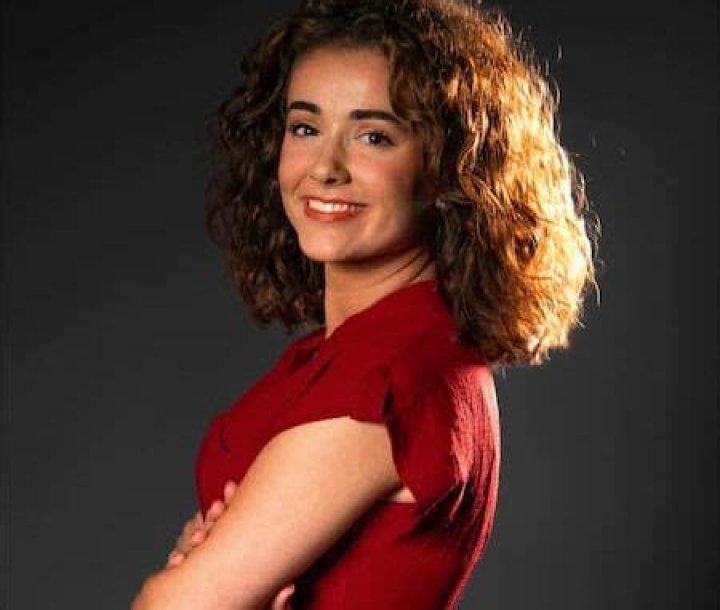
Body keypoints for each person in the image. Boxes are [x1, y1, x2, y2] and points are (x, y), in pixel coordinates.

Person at [131, 0, 597, 608]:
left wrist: (186, 585)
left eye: (374, 136)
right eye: (305, 128)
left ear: (449, 168)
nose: (325, 168)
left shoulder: (387, 375)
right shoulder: (365, 353)